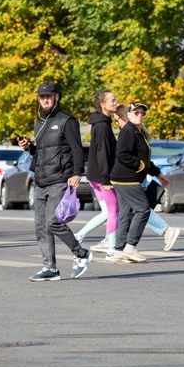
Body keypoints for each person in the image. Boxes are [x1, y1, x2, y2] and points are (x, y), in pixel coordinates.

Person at [17, 82, 92, 281]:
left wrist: (77, 174)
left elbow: (77, 149)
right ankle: (49, 268)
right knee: (41, 227)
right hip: (41, 180)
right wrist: (28, 148)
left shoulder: (67, 120)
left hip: (60, 179)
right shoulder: (40, 123)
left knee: (53, 222)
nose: (45, 100)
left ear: (56, 97)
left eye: (49, 96)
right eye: (42, 97)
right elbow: (42, 153)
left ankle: (81, 253)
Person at [110, 102, 169, 263]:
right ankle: (130, 248)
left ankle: (118, 250)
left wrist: (158, 173)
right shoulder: (128, 131)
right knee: (143, 210)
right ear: (129, 114)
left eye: (143, 113)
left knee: (127, 214)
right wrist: (140, 166)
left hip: (125, 178)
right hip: (127, 179)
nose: (140, 115)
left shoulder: (138, 132)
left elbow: (145, 158)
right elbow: (122, 155)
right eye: (136, 113)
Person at [75, 89, 120, 259]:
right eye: (112, 100)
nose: (116, 103)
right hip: (102, 178)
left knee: (107, 213)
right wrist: (106, 179)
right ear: (103, 105)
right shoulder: (102, 126)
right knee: (114, 211)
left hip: (95, 176)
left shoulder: (101, 123)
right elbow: (102, 153)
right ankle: (112, 250)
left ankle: (79, 235)